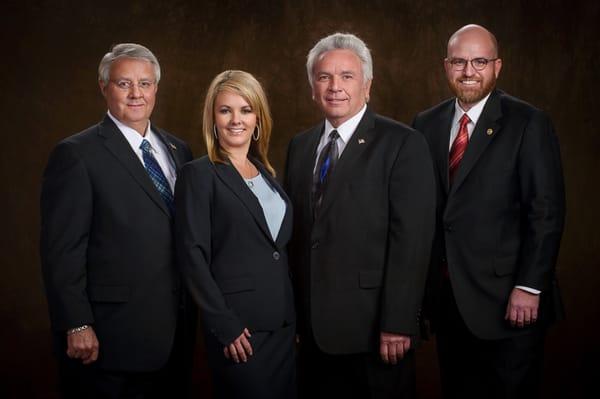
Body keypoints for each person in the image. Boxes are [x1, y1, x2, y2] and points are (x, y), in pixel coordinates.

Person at [412, 24, 566, 399]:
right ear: (446, 66)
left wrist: (529, 286)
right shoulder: (425, 125)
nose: (469, 71)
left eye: (479, 61)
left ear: (497, 67)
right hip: (450, 301)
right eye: (460, 62)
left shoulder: (528, 122)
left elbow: (545, 210)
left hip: (510, 300)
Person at [40, 43, 196, 398]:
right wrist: (76, 322)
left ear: (156, 87)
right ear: (103, 86)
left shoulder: (178, 150)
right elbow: (61, 251)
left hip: (175, 332)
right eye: (124, 84)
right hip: (111, 339)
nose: (136, 93)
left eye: (145, 83)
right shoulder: (77, 154)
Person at [284, 33, 436, 398]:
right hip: (312, 331)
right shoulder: (301, 146)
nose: (335, 87)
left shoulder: (402, 143)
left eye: (347, 76)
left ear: (367, 85)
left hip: (375, 331)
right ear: (312, 87)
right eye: (324, 77)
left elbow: (412, 240)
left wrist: (398, 321)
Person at [175, 70, 296, 399]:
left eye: (245, 110)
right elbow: (192, 255)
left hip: (283, 327)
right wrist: (223, 324)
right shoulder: (198, 174)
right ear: (212, 118)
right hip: (239, 329)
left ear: (258, 118)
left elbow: (277, 251)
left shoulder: (268, 174)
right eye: (225, 110)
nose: (235, 120)